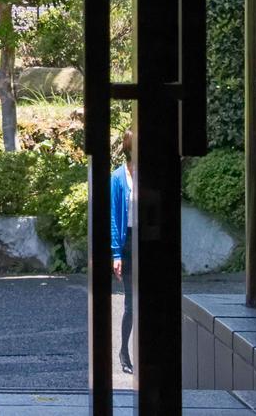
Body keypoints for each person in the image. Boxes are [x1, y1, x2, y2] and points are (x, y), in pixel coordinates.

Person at [111, 130, 135, 374]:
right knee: (131, 303)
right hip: (127, 243)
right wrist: (116, 253)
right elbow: (113, 217)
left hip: (146, 240)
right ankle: (124, 351)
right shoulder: (118, 177)